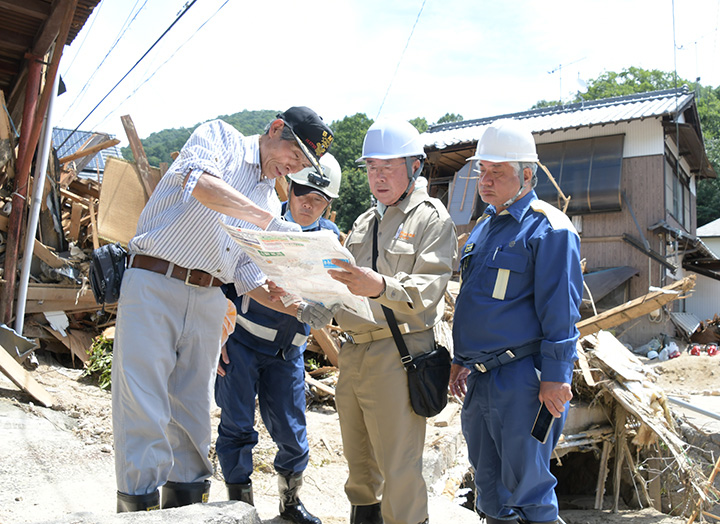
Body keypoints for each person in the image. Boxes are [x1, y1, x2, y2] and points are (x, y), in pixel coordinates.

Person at [112, 106, 336, 512]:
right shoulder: (221, 140)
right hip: (155, 280)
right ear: (275, 129)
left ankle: (186, 508)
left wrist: (300, 308)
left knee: (193, 411)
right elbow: (200, 186)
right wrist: (268, 223)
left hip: (210, 295)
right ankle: (137, 512)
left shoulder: (268, 195)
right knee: (143, 404)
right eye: (295, 154)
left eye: (302, 163)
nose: (294, 166)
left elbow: (250, 278)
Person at [448, 119, 583, 524]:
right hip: (481, 379)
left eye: (497, 172)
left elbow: (561, 310)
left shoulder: (549, 229)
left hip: (524, 381)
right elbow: (473, 304)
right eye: (482, 171)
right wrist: (461, 358)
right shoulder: (484, 229)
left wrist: (557, 377)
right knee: (489, 493)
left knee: (530, 493)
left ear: (527, 174)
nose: (485, 181)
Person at [327, 119, 458, 524]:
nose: (378, 176)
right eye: (371, 168)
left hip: (398, 353)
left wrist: (380, 285)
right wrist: (306, 300)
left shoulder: (430, 219)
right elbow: (342, 292)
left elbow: (426, 292)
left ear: (414, 166)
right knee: (360, 467)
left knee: (399, 471)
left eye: (388, 166)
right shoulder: (365, 223)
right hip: (354, 352)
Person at [214, 154, 343, 524]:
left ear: (328, 204)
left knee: (293, 434)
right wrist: (219, 335)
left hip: (289, 354)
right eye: (303, 192)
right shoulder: (264, 221)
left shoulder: (329, 240)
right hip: (243, 344)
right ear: (290, 187)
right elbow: (225, 279)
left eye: (319, 199)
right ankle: (242, 508)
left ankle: (290, 506)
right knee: (237, 426)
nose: (308, 203)